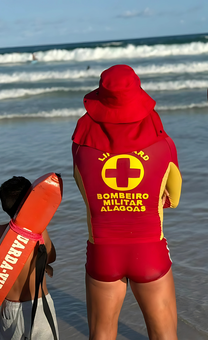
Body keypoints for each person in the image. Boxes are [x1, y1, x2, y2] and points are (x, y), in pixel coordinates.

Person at [72, 65, 182, 340]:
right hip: (149, 250)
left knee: (101, 335)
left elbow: (86, 193)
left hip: (103, 252)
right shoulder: (163, 144)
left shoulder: (81, 146)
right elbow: (174, 198)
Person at [0, 176, 59, 340]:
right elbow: (51, 256)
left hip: (9, 306)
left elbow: (9, 261)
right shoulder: (39, 230)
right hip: (37, 304)